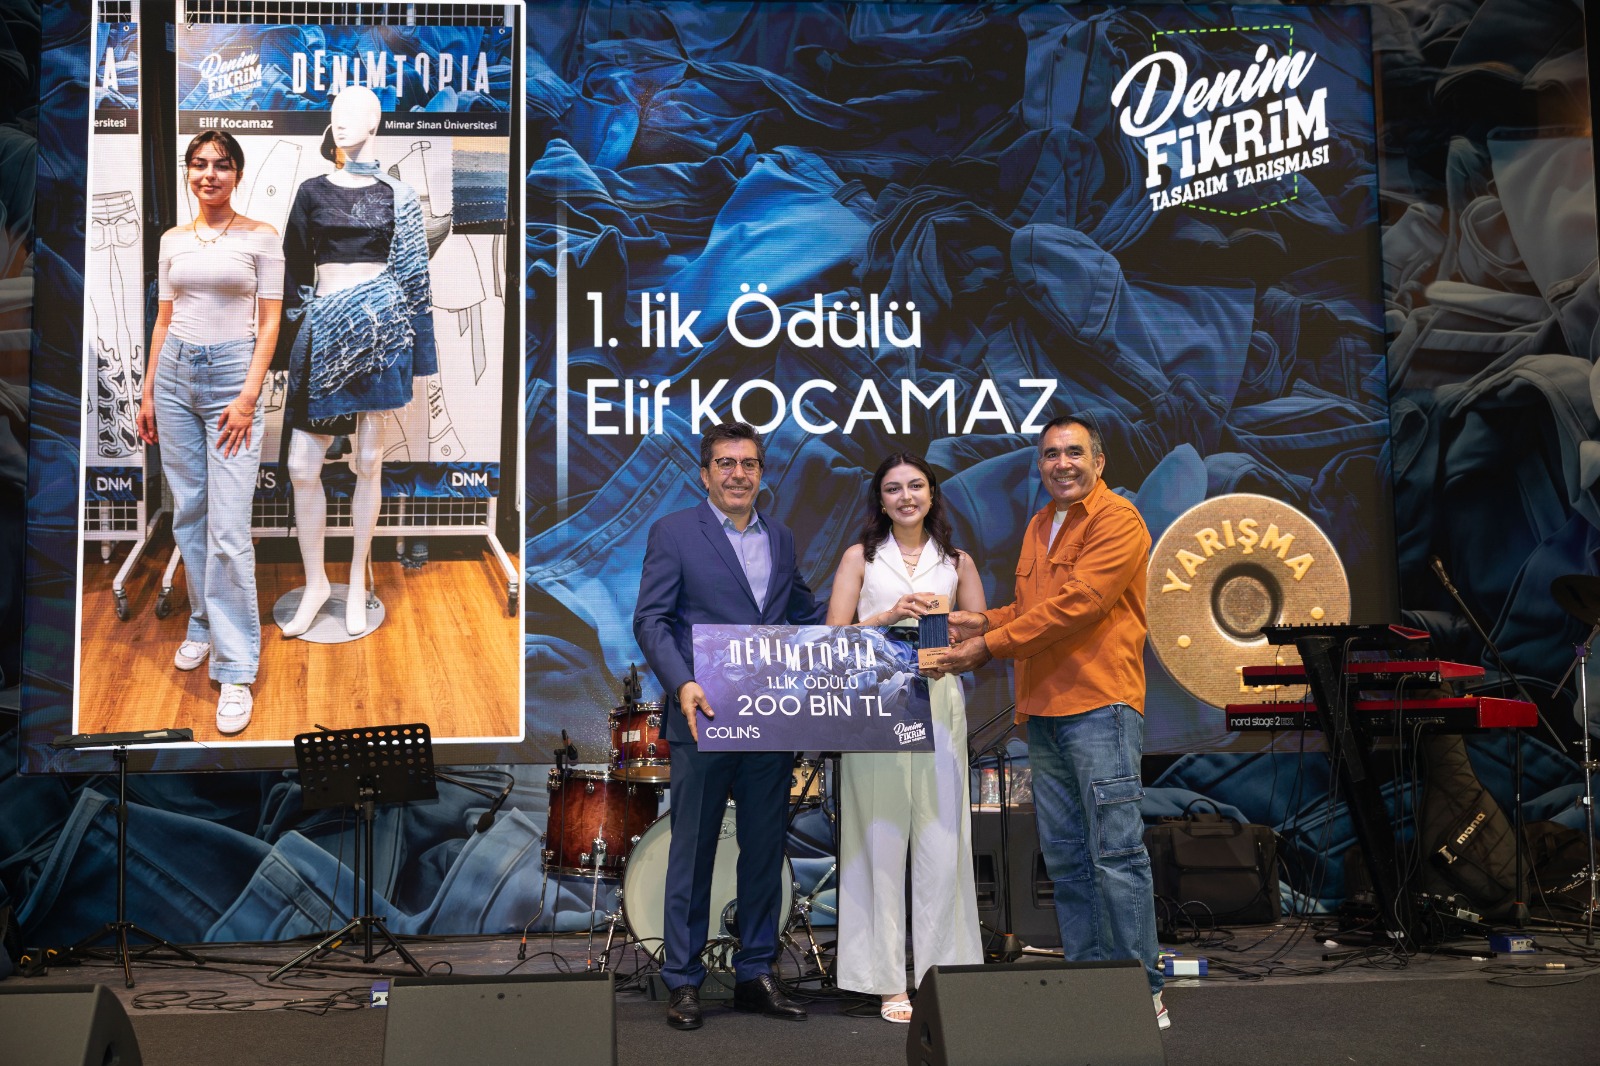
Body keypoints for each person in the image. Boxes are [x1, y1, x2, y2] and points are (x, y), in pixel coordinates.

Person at [933, 415, 1168, 1030]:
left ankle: (1141, 992)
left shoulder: (1118, 519)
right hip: (1042, 711)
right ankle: (1087, 987)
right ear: (1039, 464)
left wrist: (989, 646)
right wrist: (982, 621)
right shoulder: (1041, 523)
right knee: (1065, 860)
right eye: (1050, 454)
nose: (1062, 463)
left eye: (1074, 452)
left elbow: (1080, 605)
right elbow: (1032, 608)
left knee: (1116, 854)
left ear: (1098, 461)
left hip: (1101, 707)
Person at [633, 422, 826, 1031]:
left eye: (748, 463)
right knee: (691, 851)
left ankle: (755, 973)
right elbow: (651, 620)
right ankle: (684, 980)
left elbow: (805, 614)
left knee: (764, 851)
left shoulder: (782, 537)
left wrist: (876, 619)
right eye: (725, 463)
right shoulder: (673, 532)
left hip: (768, 719)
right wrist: (681, 682)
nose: (737, 474)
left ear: (761, 473)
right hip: (703, 717)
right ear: (704, 473)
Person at [825, 453, 985, 1022]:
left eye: (916, 486)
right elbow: (833, 637)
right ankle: (887, 982)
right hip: (876, 703)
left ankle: (944, 977)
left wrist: (956, 649)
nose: (906, 496)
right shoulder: (860, 558)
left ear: (932, 494)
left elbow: (982, 634)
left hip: (939, 701)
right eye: (893, 489)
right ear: (881, 500)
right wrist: (890, 614)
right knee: (878, 840)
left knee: (944, 840)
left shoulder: (958, 561)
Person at [277, 85, 437, 639]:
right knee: (303, 465)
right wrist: (289, 350)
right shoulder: (311, 191)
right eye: (335, 113)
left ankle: (354, 577)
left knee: (369, 462)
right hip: (324, 333)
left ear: (375, 123)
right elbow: (294, 270)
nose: (340, 122)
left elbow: (415, 278)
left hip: (380, 334)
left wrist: (420, 354)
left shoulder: (400, 196)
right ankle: (315, 582)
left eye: (354, 113)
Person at [137, 130, 283, 735]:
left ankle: (236, 667)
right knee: (190, 515)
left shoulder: (261, 236)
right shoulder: (173, 239)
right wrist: (148, 391)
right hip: (174, 376)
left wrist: (248, 396)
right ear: (188, 172)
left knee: (228, 530)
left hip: (231, 380)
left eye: (221, 165)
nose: (208, 175)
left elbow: (270, 320)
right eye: (198, 164)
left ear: (237, 174)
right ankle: (202, 622)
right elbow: (164, 317)